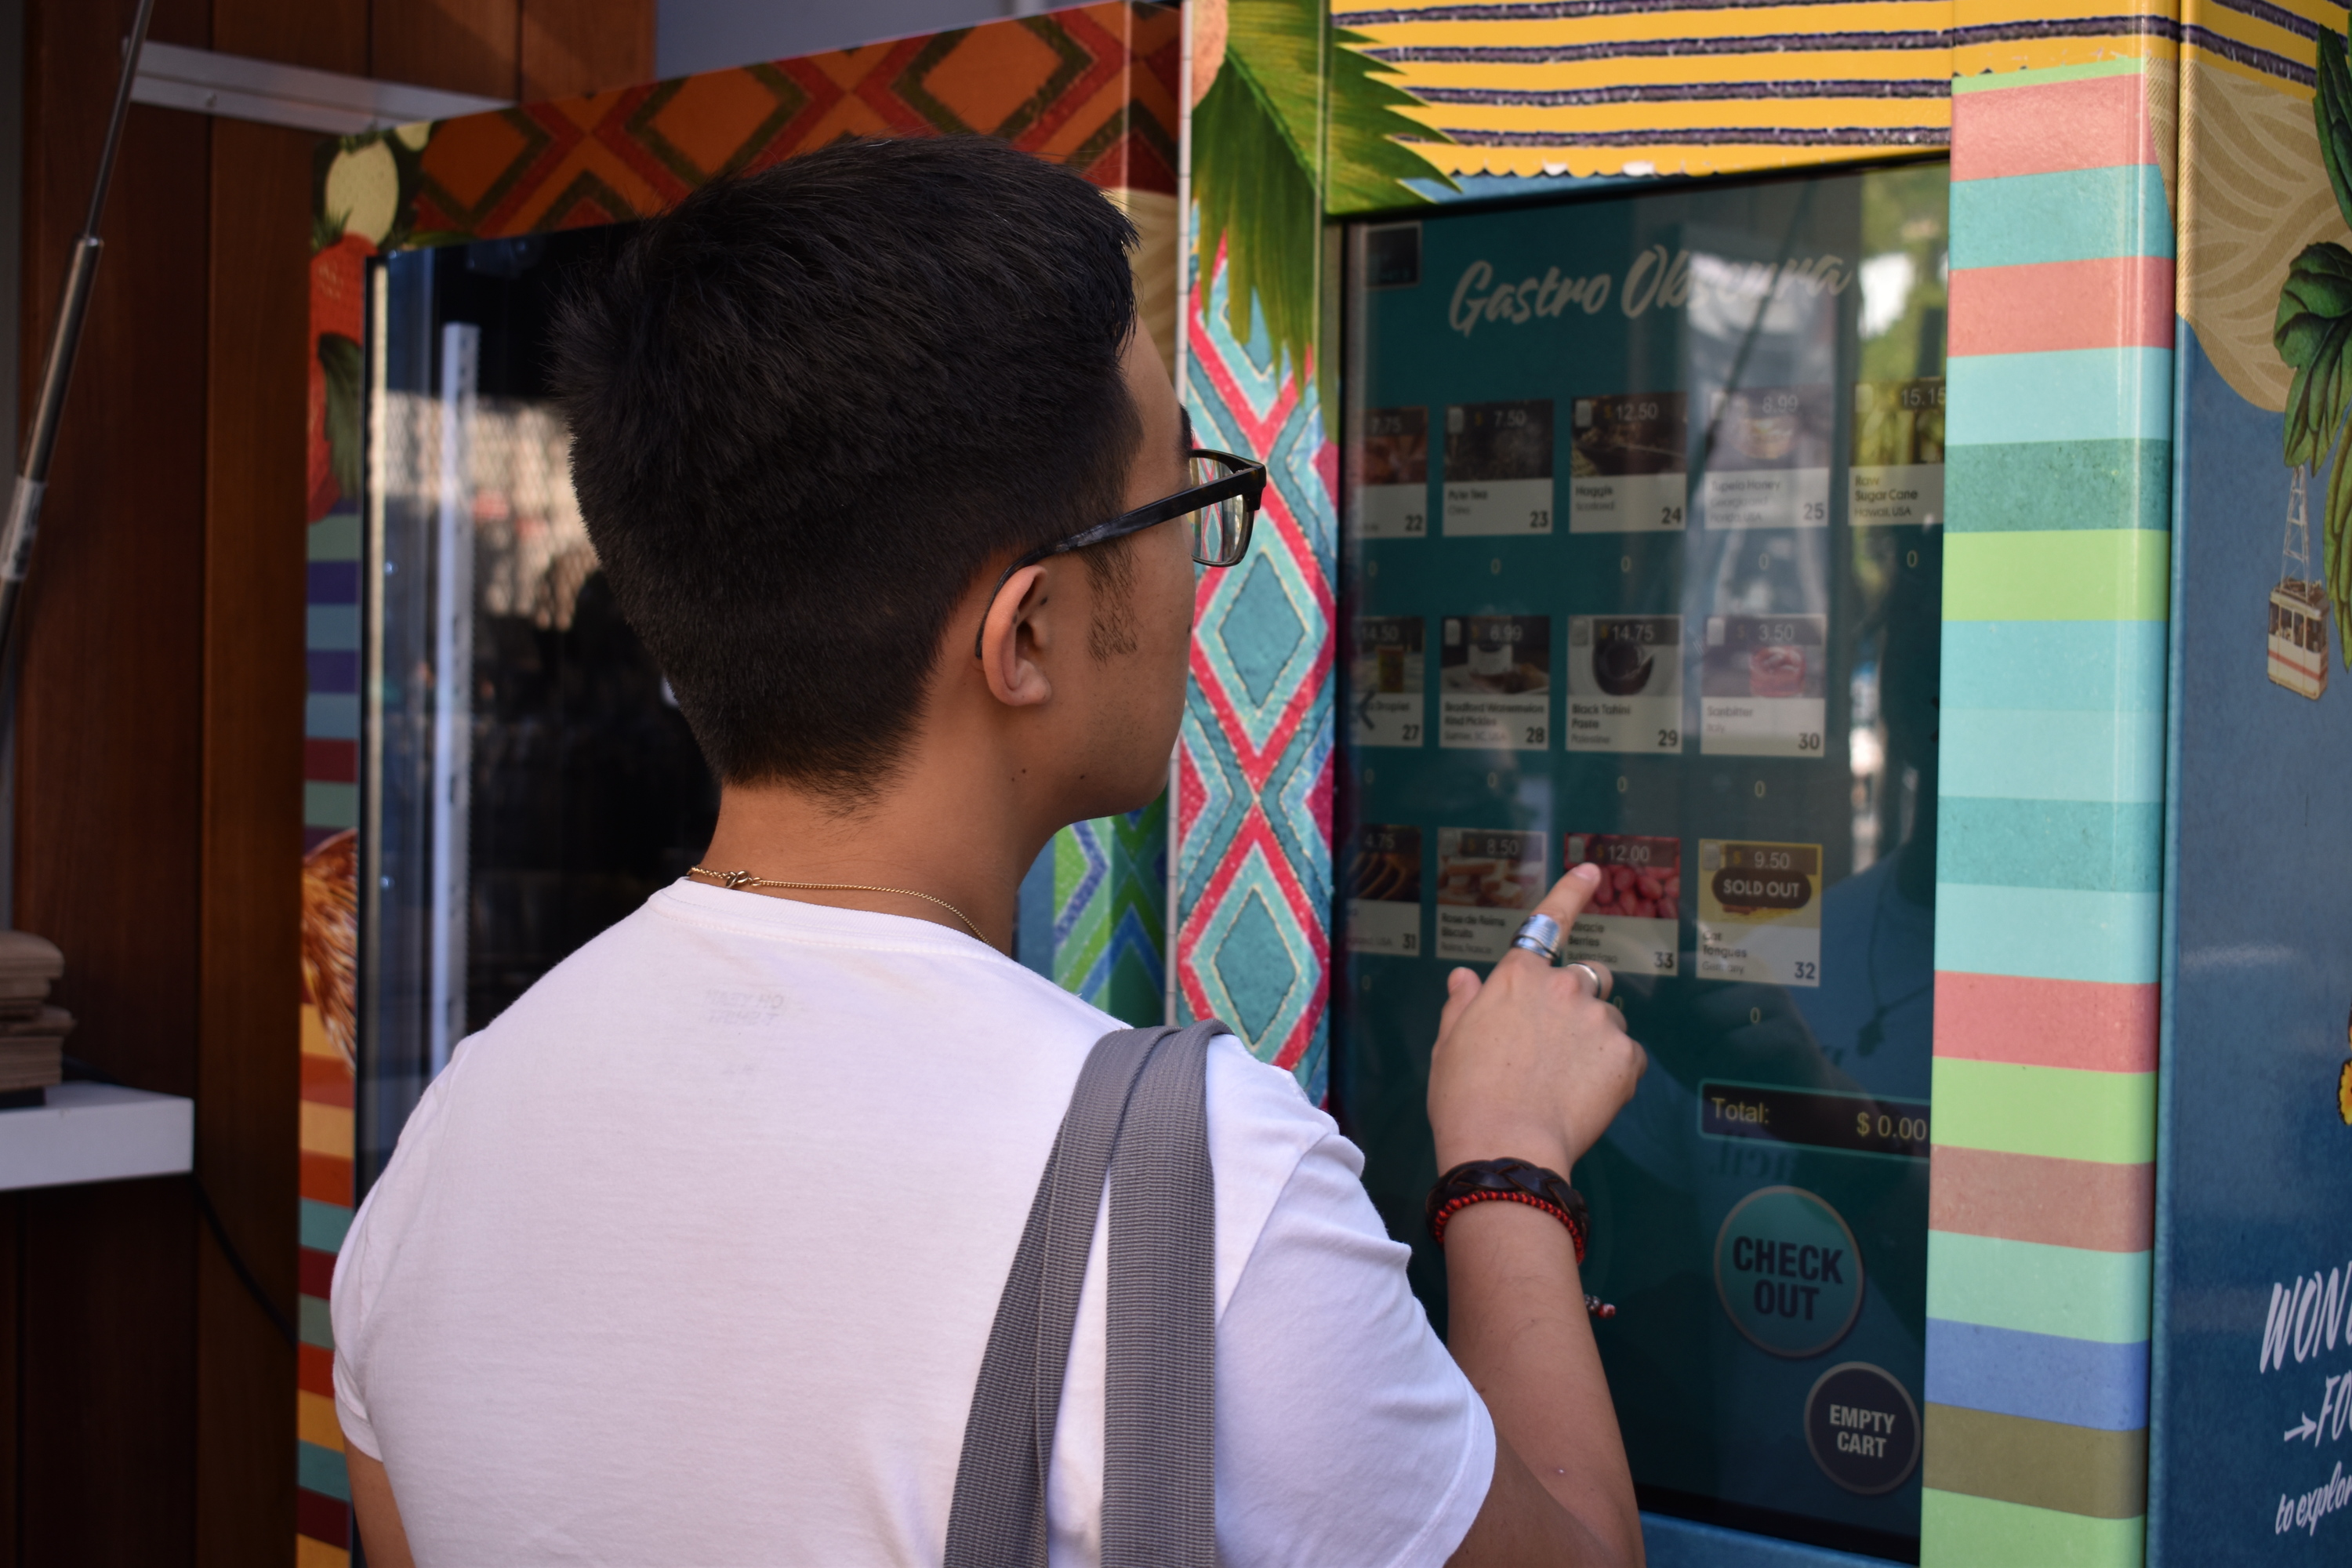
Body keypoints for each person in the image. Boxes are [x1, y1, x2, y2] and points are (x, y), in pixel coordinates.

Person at [332, 136, 1648, 1567]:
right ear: (1025, 635)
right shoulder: (1194, 1193)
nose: (1203, 587)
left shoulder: (446, 1151)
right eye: (1180, 509)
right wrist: (1508, 1164)